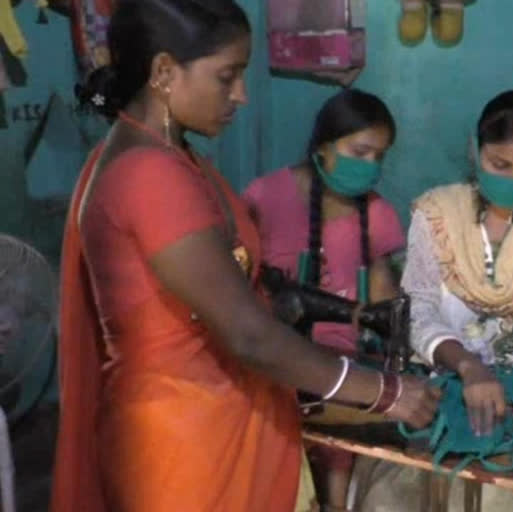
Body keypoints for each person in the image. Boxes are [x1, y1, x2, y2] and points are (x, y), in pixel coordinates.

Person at [51, 2, 439, 511]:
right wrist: (385, 392)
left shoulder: (171, 157)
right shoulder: (149, 176)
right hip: (184, 440)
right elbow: (248, 332)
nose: (242, 95)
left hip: (207, 420)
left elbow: (245, 286)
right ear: (165, 72)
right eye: (227, 76)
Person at [354, 90, 513, 511]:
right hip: (437, 400)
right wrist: (467, 365)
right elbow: (416, 308)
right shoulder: (436, 213)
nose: (511, 180)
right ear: (475, 151)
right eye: (499, 165)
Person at [242, 89, 405, 512]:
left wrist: (398, 338)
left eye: (379, 157)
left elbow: (386, 296)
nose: (370, 166)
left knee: (344, 458)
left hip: (345, 373)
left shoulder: (377, 213)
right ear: (322, 145)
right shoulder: (264, 198)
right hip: (275, 367)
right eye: (360, 151)